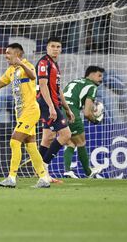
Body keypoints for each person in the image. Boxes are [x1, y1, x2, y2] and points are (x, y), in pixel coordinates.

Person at [0, 43, 50, 188]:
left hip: (31, 110)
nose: (6, 55)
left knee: (14, 141)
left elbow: (33, 75)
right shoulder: (10, 70)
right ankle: (44, 178)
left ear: (17, 54)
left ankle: (11, 178)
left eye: (8, 53)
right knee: (31, 147)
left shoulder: (27, 66)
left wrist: (21, 63)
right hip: (21, 113)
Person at [36, 37, 75, 183]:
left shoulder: (54, 65)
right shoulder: (43, 62)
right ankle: (43, 168)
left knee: (48, 138)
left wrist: (67, 109)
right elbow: (43, 85)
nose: (56, 49)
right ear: (47, 48)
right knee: (66, 135)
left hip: (54, 104)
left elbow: (58, 90)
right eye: (53, 46)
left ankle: (39, 171)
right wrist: (51, 107)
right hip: (47, 104)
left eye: (58, 46)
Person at [63, 66, 105, 178]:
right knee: (81, 142)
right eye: (99, 75)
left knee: (71, 142)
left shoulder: (75, 81)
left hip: (59, 110)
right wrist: (95, 120)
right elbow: (87, 113)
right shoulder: (92, 86)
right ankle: (89, 172)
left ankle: (67, 170)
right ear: (90, 75)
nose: (101, 79)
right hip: (71, 112)